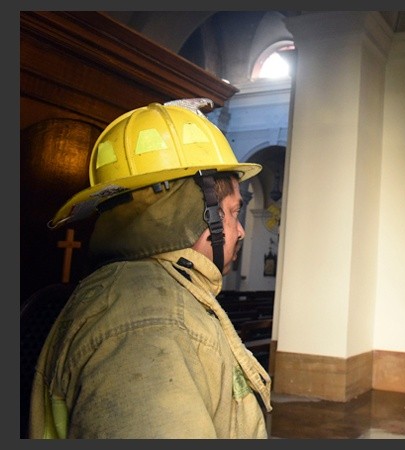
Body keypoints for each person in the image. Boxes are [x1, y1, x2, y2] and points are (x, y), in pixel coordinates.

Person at [28, 99, 272, 438]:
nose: (241, 230)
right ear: (199, 212)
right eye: (233, 212)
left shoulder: (153, 294)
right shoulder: (150, 324)